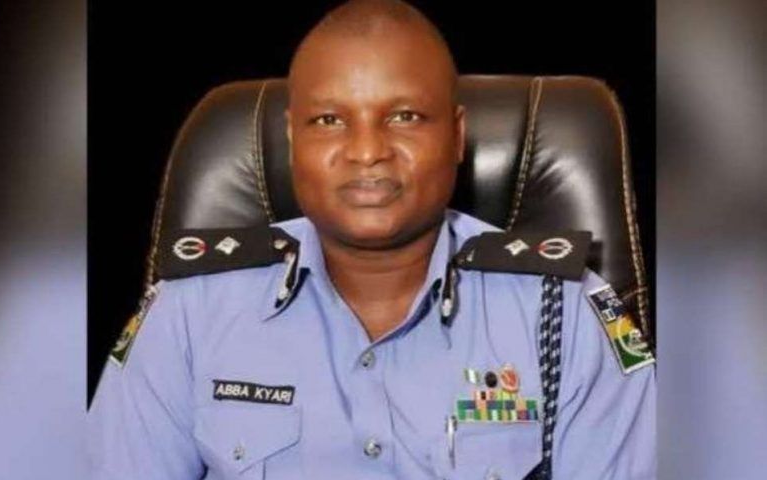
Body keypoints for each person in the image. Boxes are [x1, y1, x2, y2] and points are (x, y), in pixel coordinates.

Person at [88, 1, 655, 479]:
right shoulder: (191, 310)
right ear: (293, 139)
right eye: (329, 120)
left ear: (456, 136)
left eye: (404, 116)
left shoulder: (564, 311)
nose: (367, 151)